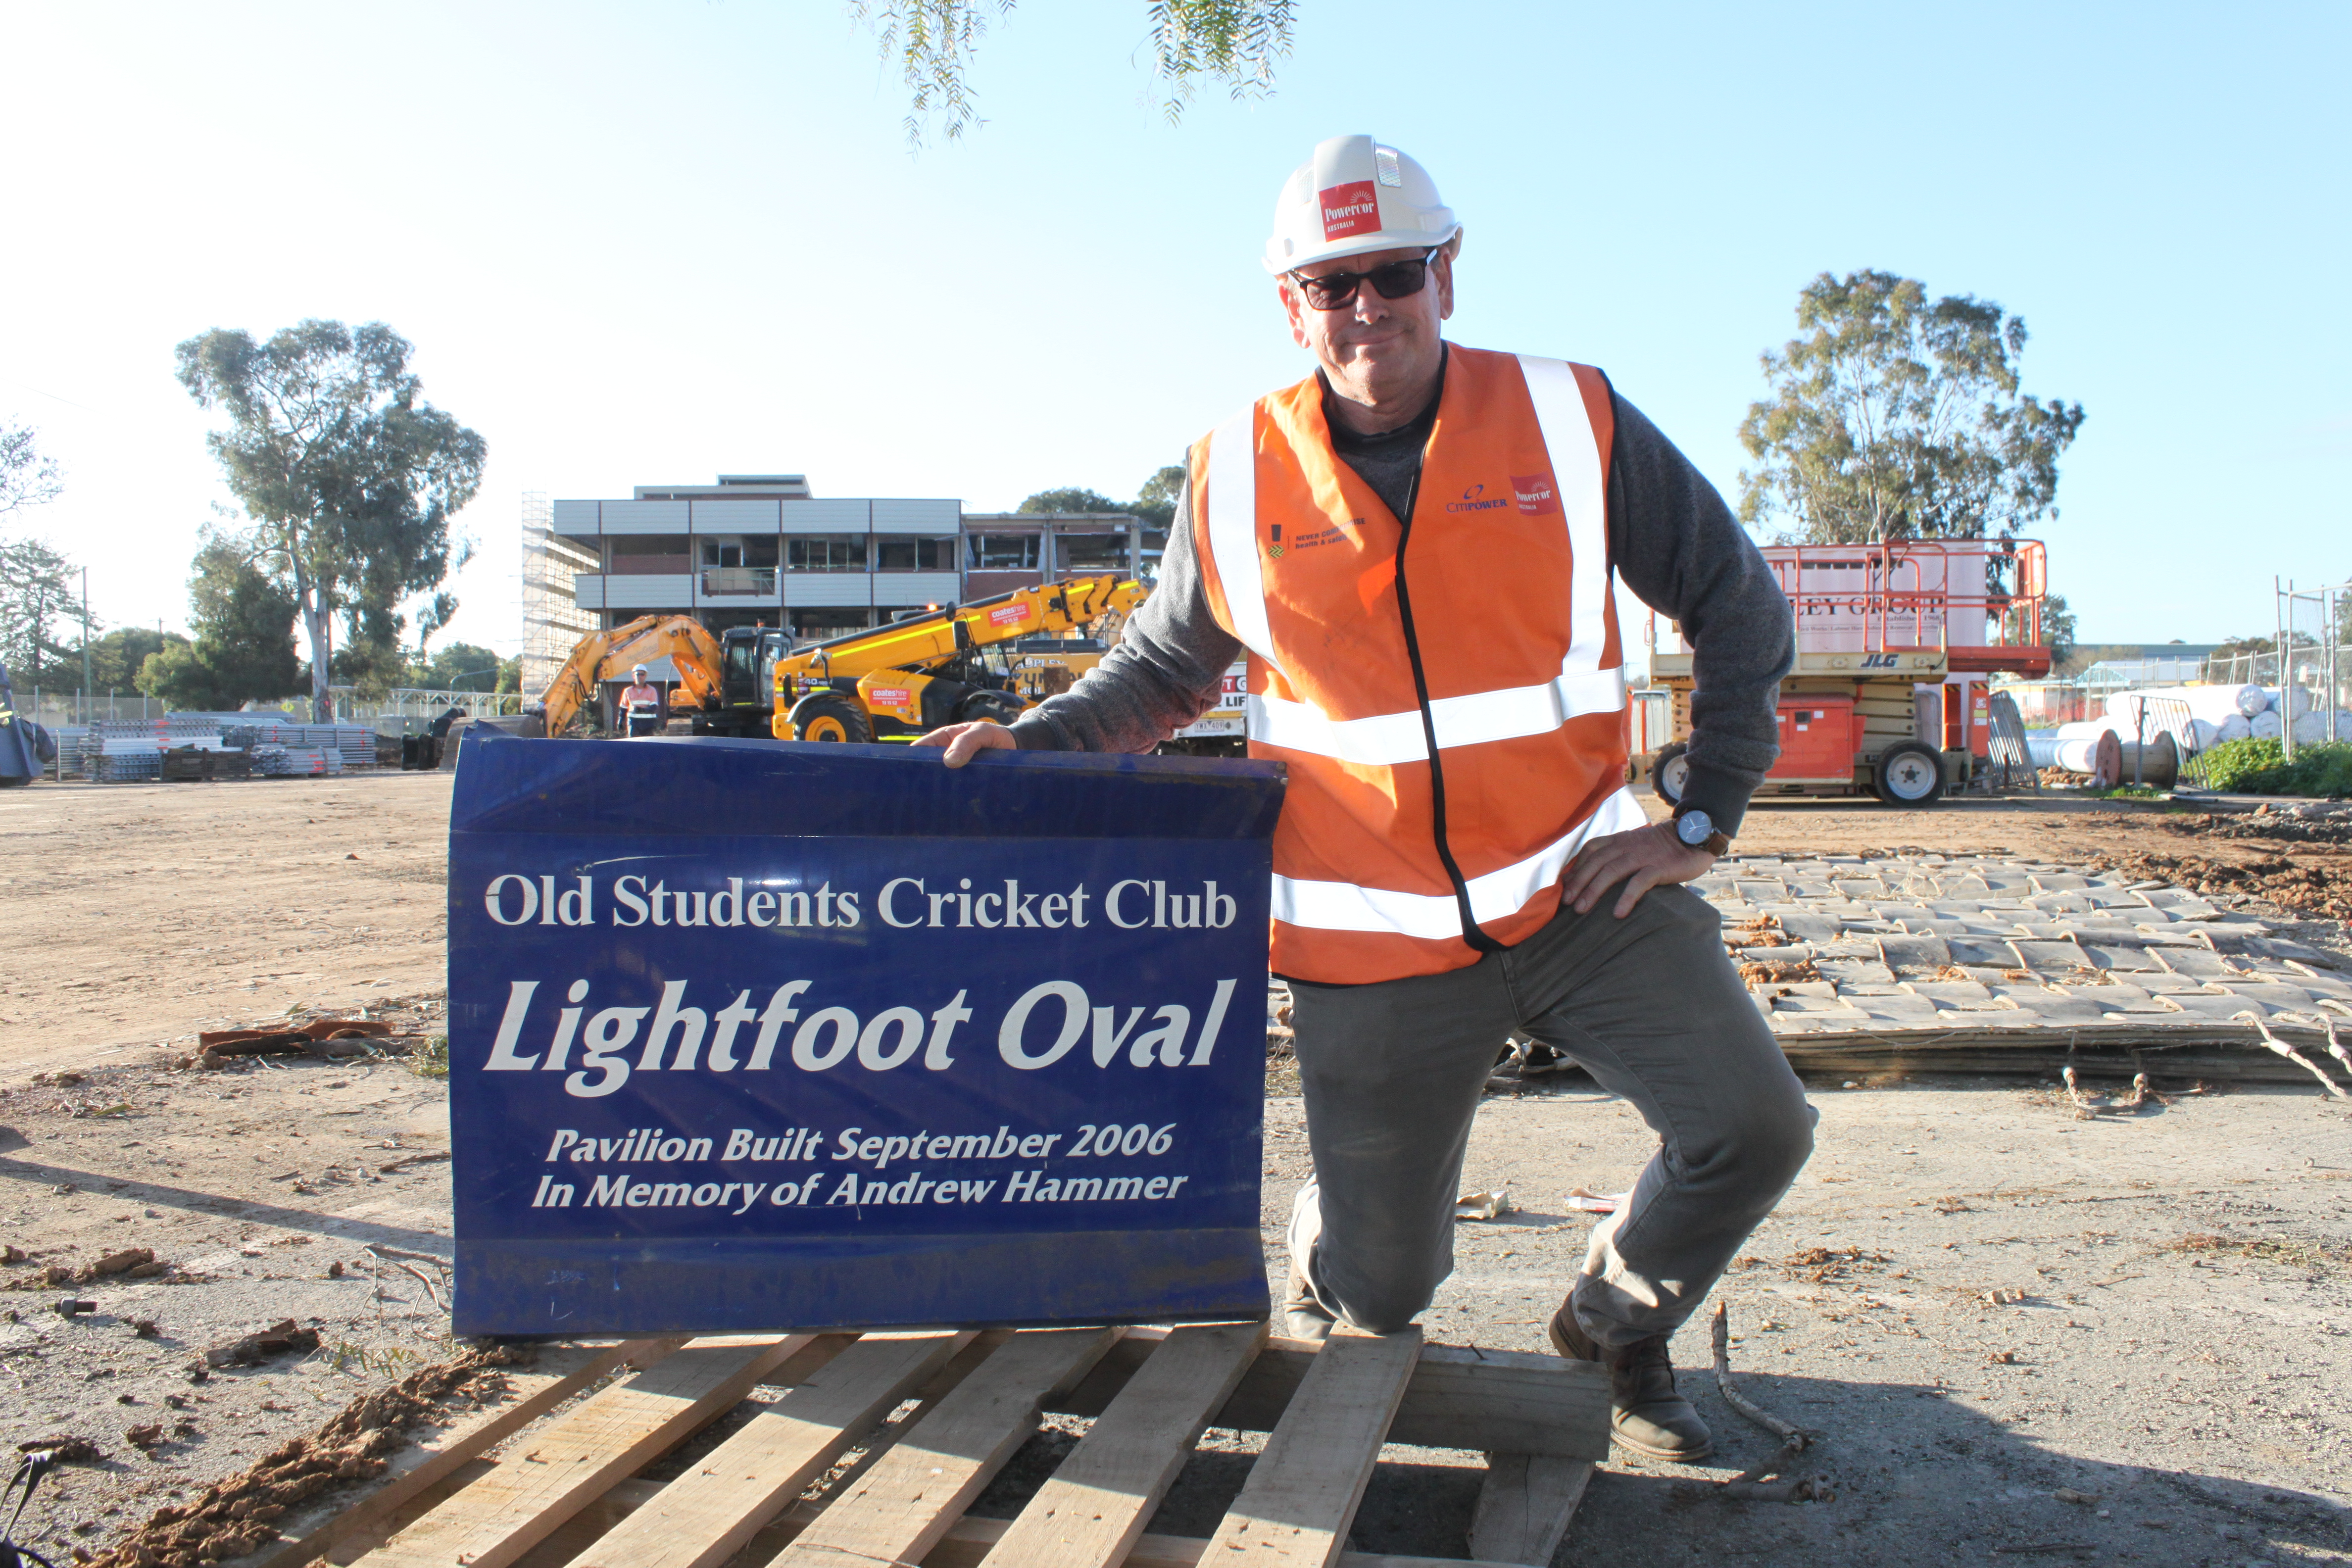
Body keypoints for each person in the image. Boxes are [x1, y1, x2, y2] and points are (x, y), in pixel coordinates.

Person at [919, 134, 1810, 1462]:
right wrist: (1033, 743)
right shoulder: (1236, 468)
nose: (1365, 308)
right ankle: (1333, 1242)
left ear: (1446, 273)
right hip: (1368, 944)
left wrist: (1698, 812)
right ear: (1293, 305)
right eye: (1332, 284)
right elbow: (1166, 666)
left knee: (1753, 1127)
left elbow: (1738, 604)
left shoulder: (1573, 420)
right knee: (1388, 1293)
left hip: (1580, 892)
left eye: (1392, 272)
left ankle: (1618, 1325)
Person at [618, 665, 665, 738]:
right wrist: (621, 721)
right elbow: (623, 708)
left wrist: (641, 710)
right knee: (634, 744)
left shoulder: (652, 690)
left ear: (646, 676)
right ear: (633, 676)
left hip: (649, 723)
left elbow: (654, 708)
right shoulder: (628, 691)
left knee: (648, 745)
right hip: (634, 722)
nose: (640, 676)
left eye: (642, 674)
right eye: (637, 674)